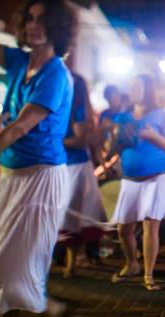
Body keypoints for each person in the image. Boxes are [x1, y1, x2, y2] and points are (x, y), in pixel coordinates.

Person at [0, 0, 76, 317]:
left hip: (40, 179)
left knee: (6, 261)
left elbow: (20, 126)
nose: (33, 26)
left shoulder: (56, 74)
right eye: (30, 19)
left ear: (57, 27)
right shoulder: (19, 61)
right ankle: (50, 308)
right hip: (10, 176)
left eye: (42, 20)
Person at [109, 74, 165, 291]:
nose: (132, 90)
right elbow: (113, 148)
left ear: (148, 90)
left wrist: (153, 136)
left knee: (151, 225)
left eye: (137, 86)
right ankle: (132, 264)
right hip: (131, 178)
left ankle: (148, 274)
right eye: (131, 86)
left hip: (158, 177)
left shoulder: (160, 115)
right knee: (124, 229)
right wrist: (115, 136)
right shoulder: (123, 117)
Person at [59, 73, 107, 278]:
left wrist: (48, 140)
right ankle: (67, 260)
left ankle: (72, 262)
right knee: (62, 215)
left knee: (72, 216)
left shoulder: (78, 109)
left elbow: (79, 141)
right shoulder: (61, 105)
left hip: (76, 168)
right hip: (61, 166)